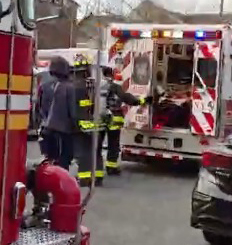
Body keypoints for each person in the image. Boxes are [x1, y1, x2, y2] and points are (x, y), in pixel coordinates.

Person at [100, 66, 152, 175]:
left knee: (97, 145)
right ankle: (111, 167)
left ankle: (96, 168)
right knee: (113, 144)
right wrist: (144, 100)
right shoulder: (114, 87)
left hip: (100, 120)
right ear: (111, 75)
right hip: (114, 120)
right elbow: (128, 99)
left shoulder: (97, 87)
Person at [35, 56, 77, 169]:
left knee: (50, 156)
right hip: (64, 128)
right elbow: (72, 110)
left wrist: (45, 119)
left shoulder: (45, 85)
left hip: (47, 126)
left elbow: (39, 105)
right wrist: (75, 125)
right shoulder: (69, 86)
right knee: (64, 157)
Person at [71, 56, 105, 187]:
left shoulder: (76, 86)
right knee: (95, 151)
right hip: (95, 123)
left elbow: (75, 108)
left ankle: (85, 178)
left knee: (83, 152)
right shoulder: (92, 85)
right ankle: (98, 176)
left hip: (82, 125)